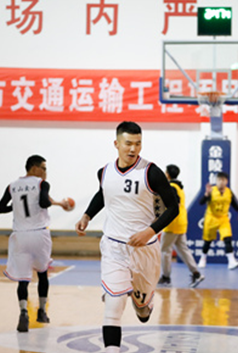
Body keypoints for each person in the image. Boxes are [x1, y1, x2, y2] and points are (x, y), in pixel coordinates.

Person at [75, 121, 179, 353]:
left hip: (145, 249)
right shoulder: (104, 172)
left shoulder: (151, 173)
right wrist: (87, 215)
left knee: (142, 310)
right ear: (116, 144)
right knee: (113, 306)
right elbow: (103, 193)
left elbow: (173, 208)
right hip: (114, 247)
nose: (133, 149)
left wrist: (149, 231)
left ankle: (143, 303)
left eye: (138, 144)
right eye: (128, 143)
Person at [0, 154, 71, 332]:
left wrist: (16, 206)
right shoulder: (41, 184)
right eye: (43, 168)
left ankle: (23, 312)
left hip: (20, 236)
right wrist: (56, 203)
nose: (45, 172)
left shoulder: (12, 186)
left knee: (23, 279)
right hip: (39, 235)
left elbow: (0, 208)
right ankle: (42, 311)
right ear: (34, 168)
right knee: (42, 273)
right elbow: (44, 202)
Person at [158, 164, 205, 288]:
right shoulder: (179, 186)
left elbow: (176, 204)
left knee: (165, 250)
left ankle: (166, 277)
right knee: (183, 250)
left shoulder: (171, 187)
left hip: (173, 224)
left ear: (168, 174)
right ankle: (196, 273)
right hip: (181, 223)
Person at [197, 171, 238, 270]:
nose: (221, 182)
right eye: (219, 180)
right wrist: (206, 194)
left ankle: (231, 261)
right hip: (211, 218)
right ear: (216, 181)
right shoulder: (211, 190)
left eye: (223, 180)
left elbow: (233, 203)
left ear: (226, 181)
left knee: (227, 238)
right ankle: (203, 258)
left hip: (223, 218)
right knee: (208, 241)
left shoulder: (229, 192)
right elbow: (201, 202)